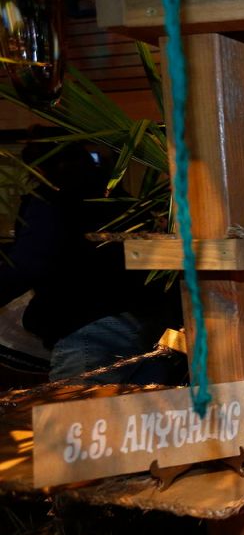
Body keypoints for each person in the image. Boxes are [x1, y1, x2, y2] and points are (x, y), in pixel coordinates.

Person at [0, 141, 181, 385]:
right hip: (147, 323)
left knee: (78, 418)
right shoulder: (120, 199)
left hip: (89, 325)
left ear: (39, 170)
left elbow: (28, 264)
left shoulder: (53, 201)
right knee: (138, 416)